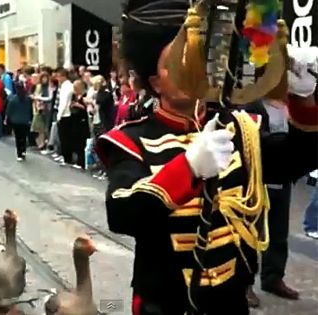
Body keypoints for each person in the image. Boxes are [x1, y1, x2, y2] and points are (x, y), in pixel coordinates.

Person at [95, 1, 318, 314]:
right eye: (178, 61)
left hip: (229, 301)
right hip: (166, 302)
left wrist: (305, 98)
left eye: (195, 58)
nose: (192, 69)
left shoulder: (239, 127)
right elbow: (121, 213)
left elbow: (292, 163)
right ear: (155, 81)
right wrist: (187, 168)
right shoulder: (131, 140)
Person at [245, 98, 299, 307]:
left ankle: (273, 278)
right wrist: (286, 142)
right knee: (251, 234)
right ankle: (245, 284)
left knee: (278, 233)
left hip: (282, 179)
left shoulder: (290, 104)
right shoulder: (251, 104)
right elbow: (254, 140)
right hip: (258, 179)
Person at [5, 83, 33, 161]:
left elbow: (9, 111)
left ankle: (19, 154)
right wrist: (30, 118)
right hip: (25, 120)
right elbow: (30, 110)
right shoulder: (28, 99)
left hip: (16, 121)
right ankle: (24, 150)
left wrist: (6, 119)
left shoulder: (12, 99)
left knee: (18, 138)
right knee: (24, 137)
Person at [56, 68, 74, 166]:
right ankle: (65, 156)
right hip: (66, 114)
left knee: (64, 138)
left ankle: (67, 158)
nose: (57, 78)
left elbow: (63, 102)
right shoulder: (66, 86)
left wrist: (59, 116)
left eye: (59, 76)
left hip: (65, 114)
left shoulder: (66, 87)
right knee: (65, 137)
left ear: (63, 76)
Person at [70, 80, 90, 169]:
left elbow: (87, 108)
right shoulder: (74, 96)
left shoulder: (85, 96)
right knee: (76, 140)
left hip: (83, 120)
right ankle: (78, 160)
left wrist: (79, 105)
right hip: (75, 120)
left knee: (82, 141)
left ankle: (82, 162)